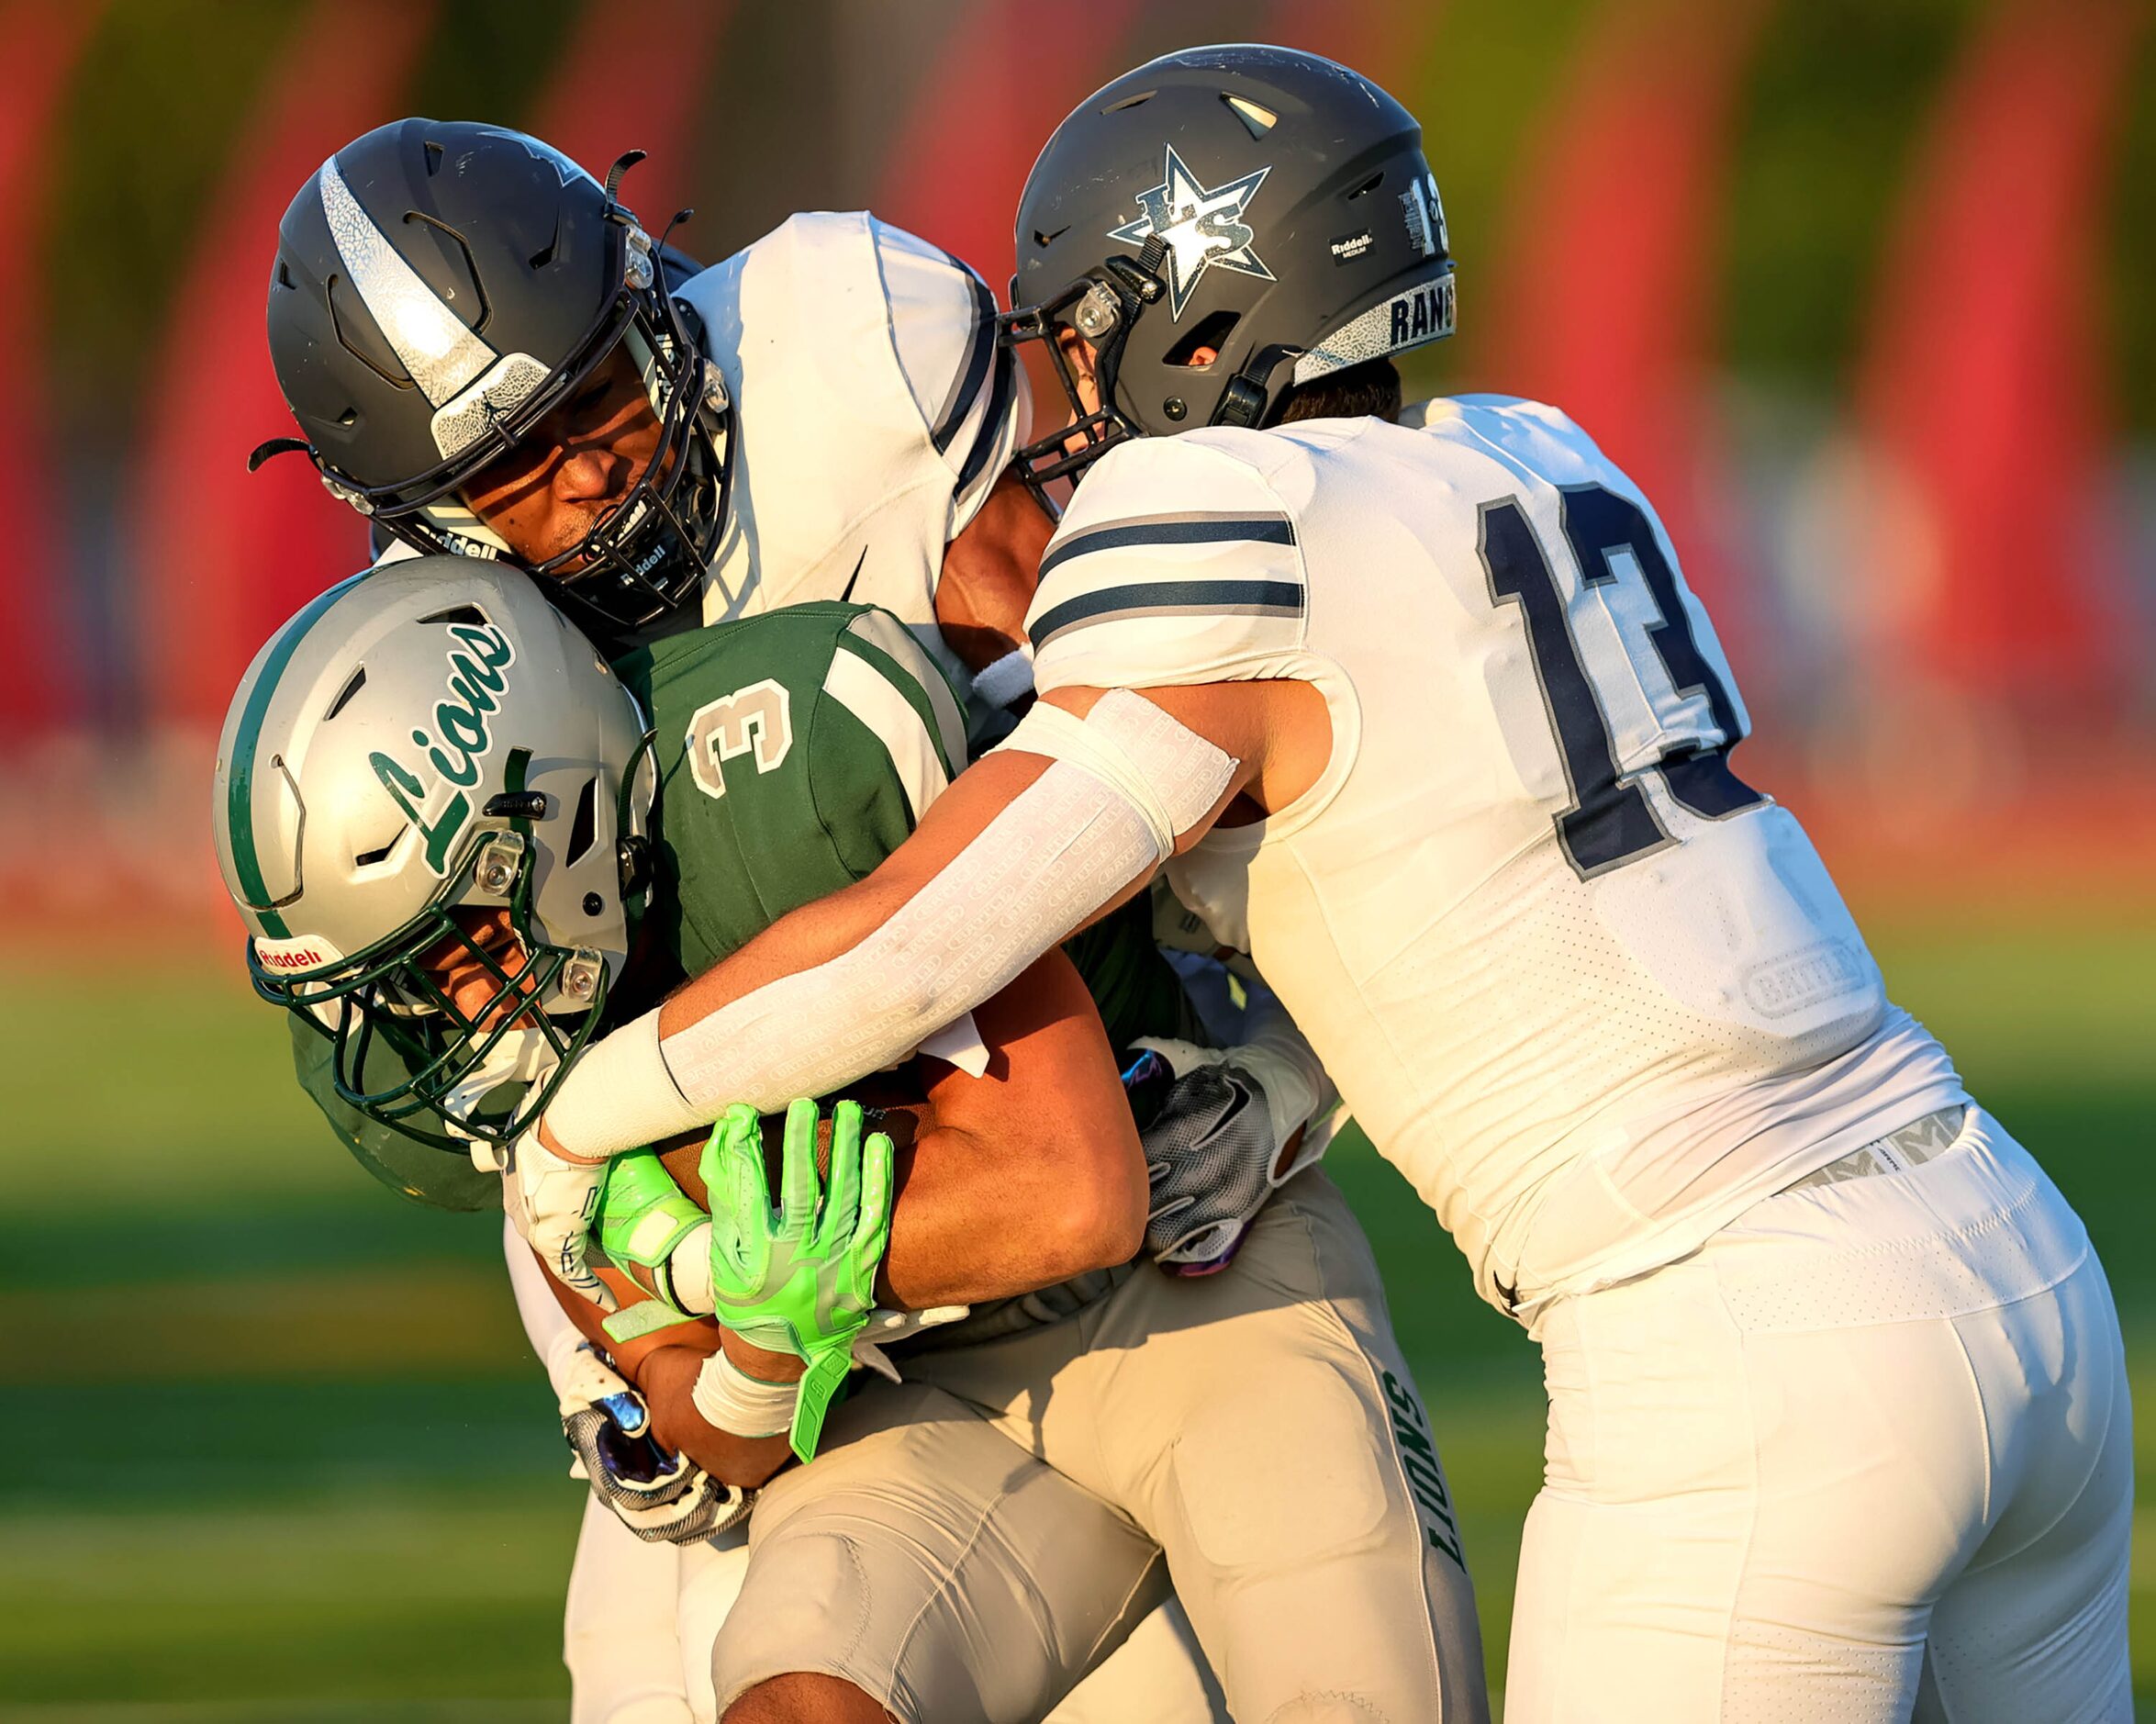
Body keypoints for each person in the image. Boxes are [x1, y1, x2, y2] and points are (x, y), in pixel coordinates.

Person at [508, 44, 2134, 1723]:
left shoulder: (1219, 509)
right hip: (2006, 1244)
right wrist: (1280, 1086)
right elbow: (1457, 895)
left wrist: (580, 1126)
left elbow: (919, 939)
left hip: (1737, 1331)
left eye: (1080, 333)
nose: (1063, 400)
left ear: (1194, 322)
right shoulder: (1544, 457)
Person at [256, 118, 1362, 1718]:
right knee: (663, 1665)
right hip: (725, 1210)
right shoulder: (455, 656)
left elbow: (1125, 746)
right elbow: (521, 1072)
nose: (583, 476)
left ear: (655, 301)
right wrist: (651, 1350)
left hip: (1043, 1103)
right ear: (419, 516)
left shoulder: (848, 353)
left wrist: (1274, 1053)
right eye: (509, 473)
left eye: (597, 400)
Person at [210, 555, 1490, 1722]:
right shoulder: (515, 1090)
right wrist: (757, 1356)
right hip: (918, 1401)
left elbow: (1072, 1190)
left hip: (1189, 1282)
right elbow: (692, 1408)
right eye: (420, 978)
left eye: (469, 941)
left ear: (558, 821)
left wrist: (735, 1251)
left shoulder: (796, 786)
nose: (467, 1008)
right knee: (798, 1703)